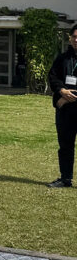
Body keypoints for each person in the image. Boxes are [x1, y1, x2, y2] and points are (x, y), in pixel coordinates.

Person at [47, 24, 77, 188]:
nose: (76, 40)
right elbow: (53, 77)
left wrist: (66, 98)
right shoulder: (63, 58)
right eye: (74, 37)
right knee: (65, 145)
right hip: (66, 113)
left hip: (67, 103)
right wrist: (61, 90)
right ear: (70, 38)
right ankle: (65, 178)